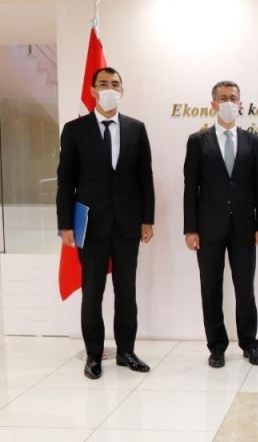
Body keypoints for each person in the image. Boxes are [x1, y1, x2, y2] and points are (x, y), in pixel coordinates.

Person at [56, 67, 154, 379]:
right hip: (90, 225)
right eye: (103, 84)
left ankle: (126, 352)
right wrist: (65, 224)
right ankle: (94, 355)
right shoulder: (75, 130)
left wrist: (147, 219)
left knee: (126, 292)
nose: (109, 88)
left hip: (128, 224)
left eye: (115, 83)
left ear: (122, 90)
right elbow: (66, 181)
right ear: (93, 90)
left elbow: (145, 177)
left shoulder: (136, 129)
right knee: (93, 293)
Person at [183, 80, 258, 368]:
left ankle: (249, 344)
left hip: (245, 227)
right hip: (208, 228)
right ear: (213, 104)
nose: (228, 102)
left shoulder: (252, 141)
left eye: (233, 97)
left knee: (245, 289)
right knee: (211, 289)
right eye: (223, 98)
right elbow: (190, 188)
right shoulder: (198, 141)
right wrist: (190, 229)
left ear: (241, 103)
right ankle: (217, 346)